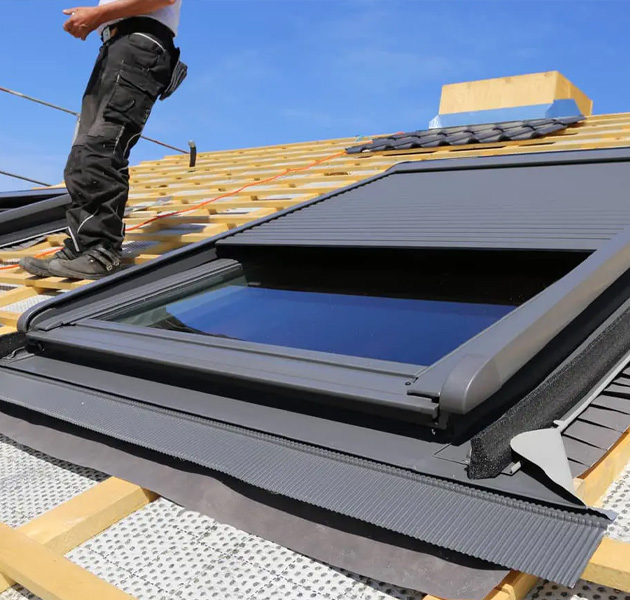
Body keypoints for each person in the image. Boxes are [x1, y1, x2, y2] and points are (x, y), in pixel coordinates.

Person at [21, 0, 183, 280]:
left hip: (140, 43)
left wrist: (98, 14)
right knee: (80, 155)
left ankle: (102, 251)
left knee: (102, 147)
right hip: (116, 45)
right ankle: (81, 246)